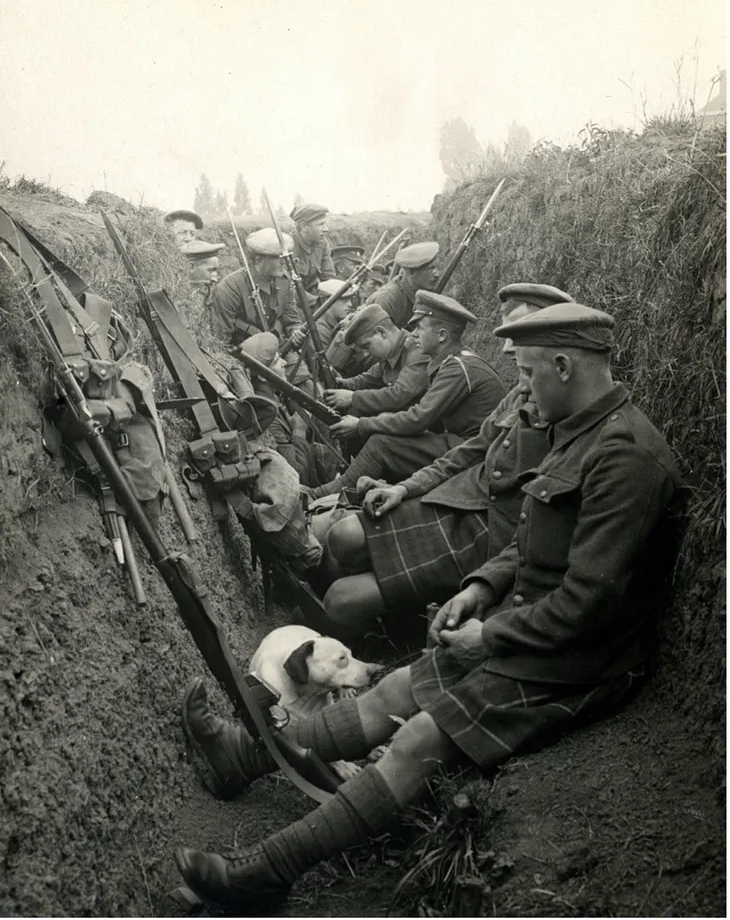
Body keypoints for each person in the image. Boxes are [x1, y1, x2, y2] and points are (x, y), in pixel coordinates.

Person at [174, 302, 681, 913]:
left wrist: (489, 637)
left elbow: (590, 602)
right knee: (396, 690)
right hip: (530, 621)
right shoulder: (575, 429)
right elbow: (528, 540)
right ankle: (244, 758)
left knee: (418, 737)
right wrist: (480, 589)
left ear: (565, 365)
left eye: (526, 371)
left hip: (576, 657)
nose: (520, 386)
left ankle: (268, 872)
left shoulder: (623, 457)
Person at [319, 283, 573, 630]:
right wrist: (406, 489)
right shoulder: (517, 393)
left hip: (488, 530)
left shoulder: (465, 370)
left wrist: (362, 421)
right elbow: (474, 450)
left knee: (342, 591)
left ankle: (382, 624)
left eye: (518, 339)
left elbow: (420, 416)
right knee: (341, 537)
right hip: (463, 495)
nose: (506, 349)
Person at [310, 291, 505, 500]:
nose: (413, 334)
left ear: (441, 335)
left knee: (381, 443)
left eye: (420, 328)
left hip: (474, 450)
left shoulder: (457, 368)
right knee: (384, 433)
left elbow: (418, 418)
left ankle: (331, 493)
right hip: (465, 442)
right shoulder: (451, 362)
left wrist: (361, 424)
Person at [239, 333, 340, 489]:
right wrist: (299, 431)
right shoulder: (268, 417)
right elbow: (297, 476)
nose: (284, 362)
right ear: (263, 376)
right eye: (277, 361)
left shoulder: (273, 398)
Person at [323, 304, 429, 419]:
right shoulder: (390, 355)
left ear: (381, 332)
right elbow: (367, 380)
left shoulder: (416, 350)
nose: (366, 353)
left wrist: (352, 398)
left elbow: (400, 394)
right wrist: (339, 382)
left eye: (366, 346)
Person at [210, 228, 306, 351]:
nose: (284, 263)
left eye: (285, 257)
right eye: (277, 258)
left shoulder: (284, 281)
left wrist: (295, 331)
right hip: (246, 355)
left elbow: (291, 320)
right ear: (258, 260)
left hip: (279, 348)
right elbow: (221, 341)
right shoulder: (228, 289)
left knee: (303, 370)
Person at [367, 241, 440, 327]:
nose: (437, 274)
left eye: (436, 267)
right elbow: (377, 336)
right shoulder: (388, 299)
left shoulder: (424, 293)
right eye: (430, 269)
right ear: (412, 272)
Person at [290, 203, 336, 292]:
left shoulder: (322, 244)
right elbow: (288, 291)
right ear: (304, 226)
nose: (326, 229)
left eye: (325, 224)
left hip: (316, 294)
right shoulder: (289, 247)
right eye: (320, 224)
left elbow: (329, 277)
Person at [315, 279, 357, 348]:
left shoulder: (335, 322)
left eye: (350, 299)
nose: (350, 304)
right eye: (344, 299)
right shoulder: (319, 330)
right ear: (327, 301)